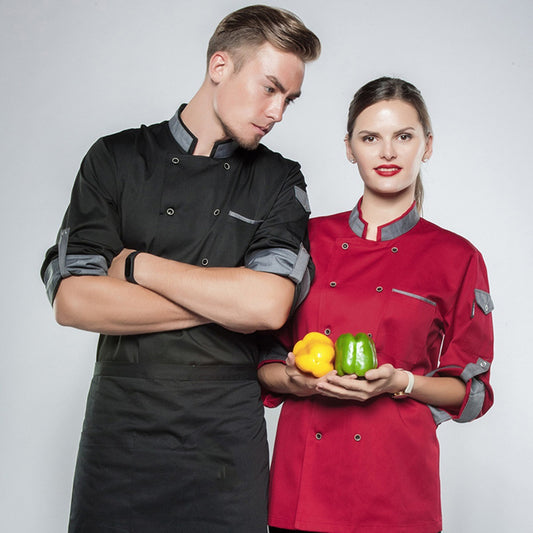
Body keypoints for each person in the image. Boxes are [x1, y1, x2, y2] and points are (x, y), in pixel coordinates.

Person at [40, 5, 320, 532]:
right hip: (120, 432)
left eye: (290, 99)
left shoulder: (280, 179)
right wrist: (227, 299)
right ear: (220, 66)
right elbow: (74, 301)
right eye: (269, 88)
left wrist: (139, 265)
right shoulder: (114, 159)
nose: (278, 112)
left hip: (226, 442)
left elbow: (266, 305)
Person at [259, 77, 494, 533]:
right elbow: (260, 362)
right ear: (349, 148)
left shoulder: (457, 256)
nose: (388, 152)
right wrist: (296, 380)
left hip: (398, 491)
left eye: (403, 136)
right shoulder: (303, 239)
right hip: (302, 488)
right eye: (370, 138)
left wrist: (400, 381)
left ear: (426, 145)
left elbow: (474, 392)